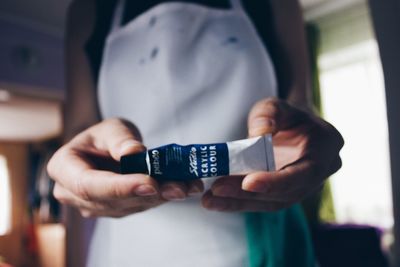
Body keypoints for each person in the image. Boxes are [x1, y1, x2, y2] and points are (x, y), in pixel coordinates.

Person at [47, 0, 344, 266]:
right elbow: (79, 127)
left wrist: (307, 141)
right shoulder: (88, 10)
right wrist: (75, 167)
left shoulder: (279, 4)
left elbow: (299, 106)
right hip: (129, 248)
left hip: (264, 245)